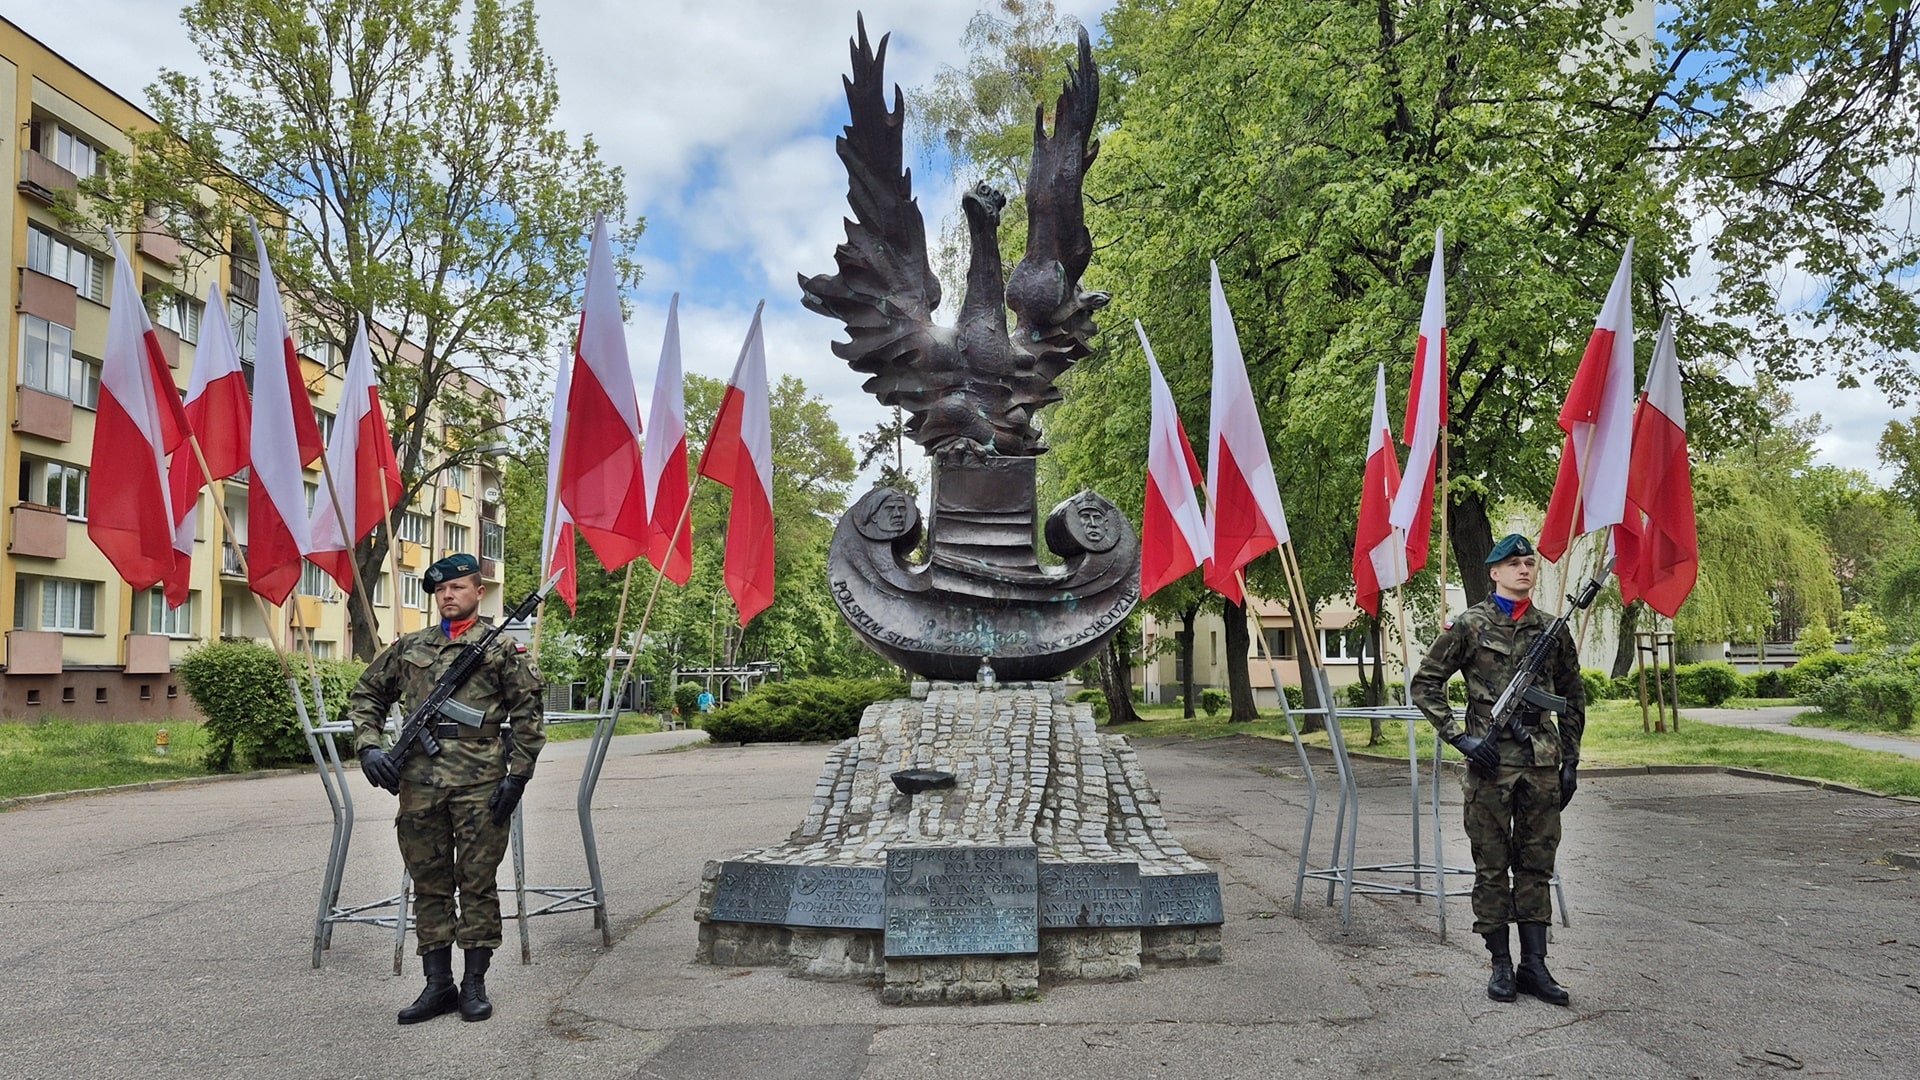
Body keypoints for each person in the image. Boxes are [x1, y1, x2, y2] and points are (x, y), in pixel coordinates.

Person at [350, 554, 546, 1025]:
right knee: (430, 884)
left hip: (481, 783)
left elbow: (528, 718)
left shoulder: (501, 650)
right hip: (418, 783)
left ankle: (474, 985)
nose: (447, 595)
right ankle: (437, 985)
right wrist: (369, 747)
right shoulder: (410, 647)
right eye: (440, 590)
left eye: (457, 587)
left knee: (476, 883)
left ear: (479, 592)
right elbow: (367, 694)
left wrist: (517, 777)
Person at [1411, 533, 1583, 1007]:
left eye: (1530, 563)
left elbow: (1571, 696)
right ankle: (1500, 964)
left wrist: (1570, 758)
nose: (1524, 570)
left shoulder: (1552, 627)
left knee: (1536, 866)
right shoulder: (1468, 625)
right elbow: (1425, 685)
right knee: (1492, 867)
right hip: (1489, 763)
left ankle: (1535, 965)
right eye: (1514, 564)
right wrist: (1459, 738)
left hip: (1541, 764)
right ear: (1494, 572)